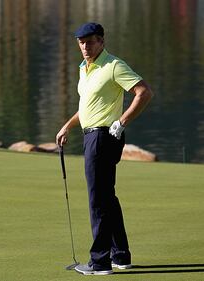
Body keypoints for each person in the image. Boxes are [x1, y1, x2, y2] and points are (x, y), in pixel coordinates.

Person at [56, 22, 153, 275]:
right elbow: (87, 106)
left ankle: (99, 262)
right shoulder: (84, 69)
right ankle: (120, 256)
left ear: (101, 41)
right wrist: (67, 125)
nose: (85, 47)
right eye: (81, 42)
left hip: (103, 137)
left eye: (90, 41)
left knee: (97, 199)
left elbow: (144, 92)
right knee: (107, 198)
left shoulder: (113, 66)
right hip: (91, 136)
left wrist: (122, 122)